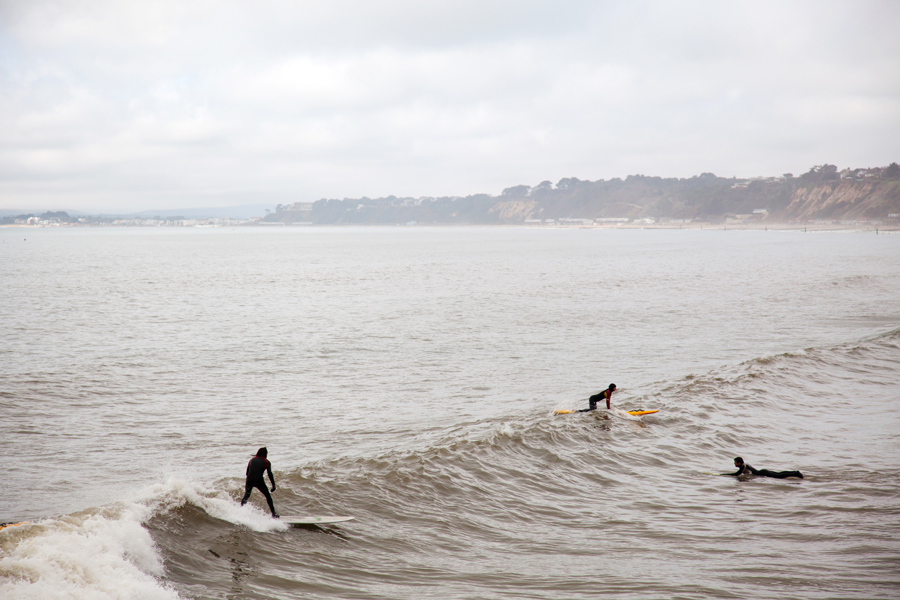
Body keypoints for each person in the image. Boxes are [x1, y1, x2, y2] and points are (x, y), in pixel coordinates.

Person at [240, 447, 279, 517]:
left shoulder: (252, 460)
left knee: (246, 495)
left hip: (249, 480)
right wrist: (273, 485)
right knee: (268, 496)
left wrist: (250, 480)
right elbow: (270, 474)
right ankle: (273, 513)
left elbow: (247, 473)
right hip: (259, 480)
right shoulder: (267, 462)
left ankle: (240, 511)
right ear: (265, 454)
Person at [724, 457, 803, 479]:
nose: (734, 464)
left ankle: (796, 473)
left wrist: (723, 475)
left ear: (739, 463)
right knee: (779, 474)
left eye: (735, 462)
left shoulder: (743, 466)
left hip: (762, 473)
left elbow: (736, 474)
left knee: (779, 476)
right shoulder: (744, 465)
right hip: (763, 472)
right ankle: (795, 473)